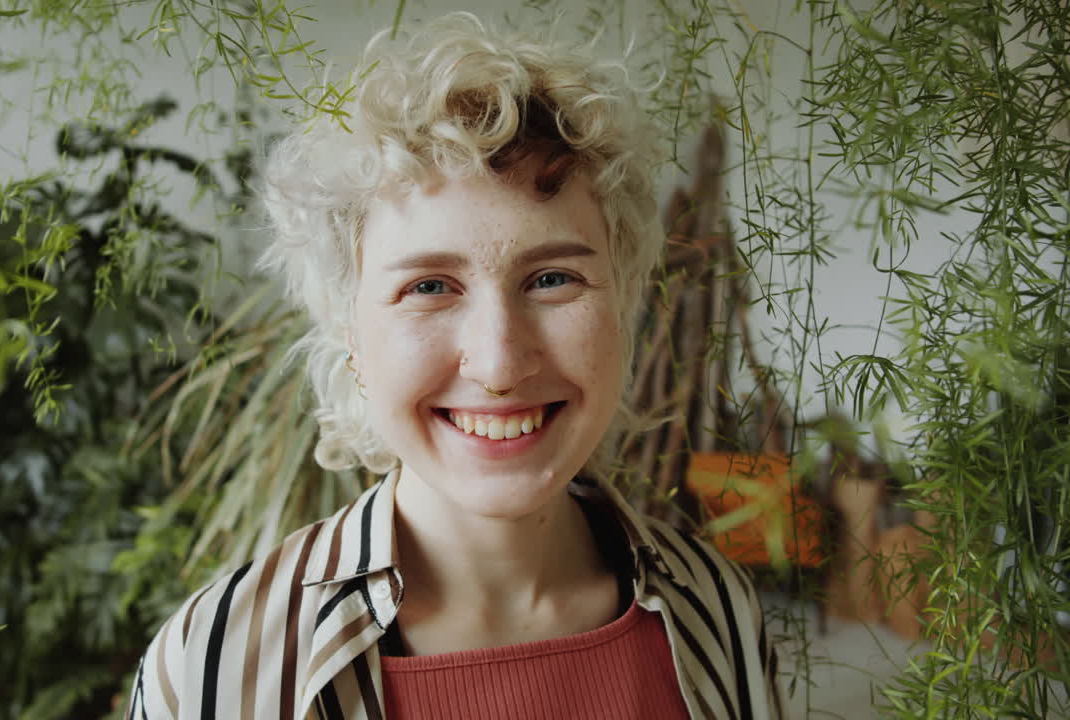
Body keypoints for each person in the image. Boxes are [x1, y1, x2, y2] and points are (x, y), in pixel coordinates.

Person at [126, 12, 783, 720]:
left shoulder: (719, 612)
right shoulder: (214, 667)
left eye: (553, 279)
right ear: (350, 332)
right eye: (429, 288)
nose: (500, 364)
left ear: (621, 302)